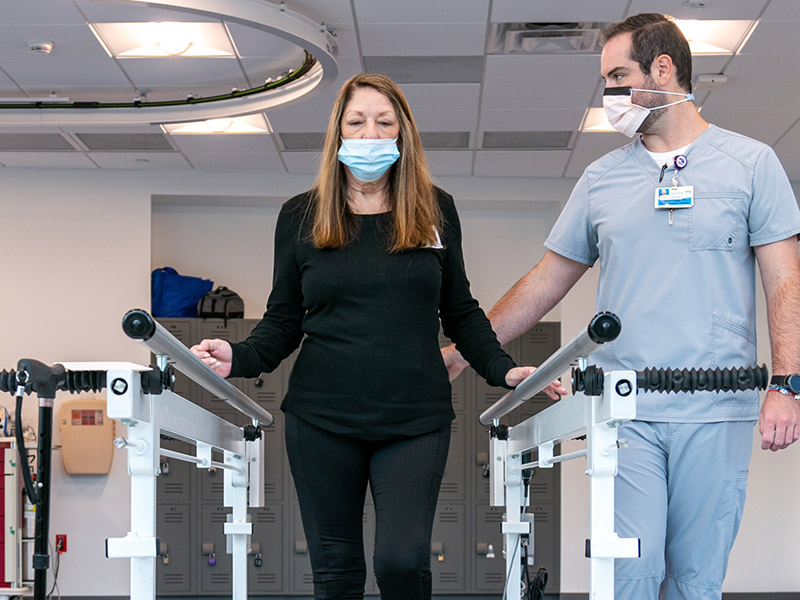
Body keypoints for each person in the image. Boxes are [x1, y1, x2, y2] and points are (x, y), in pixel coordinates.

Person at [443, 13, 800, 600]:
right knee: (627, 574)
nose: (608, 93)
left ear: (663, 69)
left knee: (694, 579)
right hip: (623, 407)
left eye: (617, 75)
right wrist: (462, 351)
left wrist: (784, 384)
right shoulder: (602, 178)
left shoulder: (751, 164)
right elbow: (545, 281)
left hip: (714, 405)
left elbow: (783, 280)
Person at [190, 73, 554, 600]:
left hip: (413, 419)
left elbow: (460, 310)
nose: (370, 135)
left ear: (402, 134)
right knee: (336, 574)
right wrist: (237, 356)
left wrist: (503, 369)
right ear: (338, 132)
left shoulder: (433, 209)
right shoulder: (301, 215)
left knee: (401, 562)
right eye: (356, 122)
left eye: (384, 123)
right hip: (321, 418)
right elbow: (283, 321)